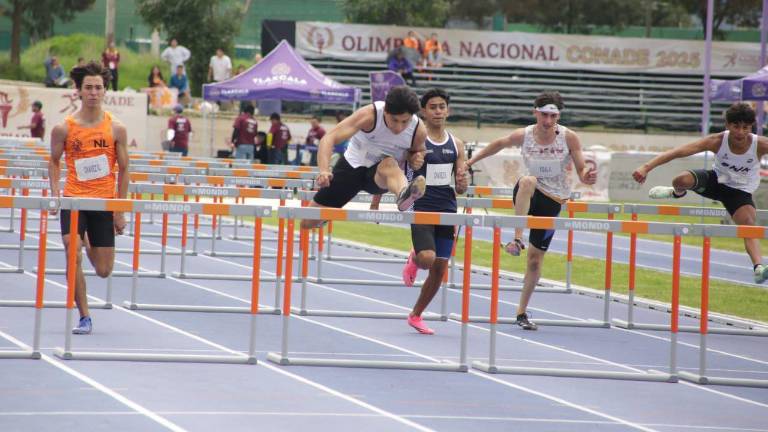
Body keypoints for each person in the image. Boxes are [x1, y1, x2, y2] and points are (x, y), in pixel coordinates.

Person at [465, 91, 597, 330]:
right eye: (544, 115)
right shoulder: (524, 135)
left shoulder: (569, 137)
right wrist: (469, 162)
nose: (548, 121)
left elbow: (581, 170)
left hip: (553, 200)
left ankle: (521, 312)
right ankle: (517, 239)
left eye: (553, 116)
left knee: (535, 262)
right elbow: (498, 144)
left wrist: (587, 176)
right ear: (535, 112)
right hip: (529, 193)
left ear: (559, 116)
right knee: (528, 180)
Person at [633, 102, 768, 284]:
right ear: (727, 125)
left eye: (745, 128)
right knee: (681, 180)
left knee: (748, 224)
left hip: (739, 192)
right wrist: (646, 167)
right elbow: (678, 152)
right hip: (716, 181)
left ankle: (758, 268)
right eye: (736, 126)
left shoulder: (760, 144)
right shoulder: (717, 141)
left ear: (751, 127)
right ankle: (677, 193)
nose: (740, 132)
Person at [48, 61, 129, 335]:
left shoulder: (116, 128)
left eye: (98, 88)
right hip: (74, 199)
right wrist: (55, 194)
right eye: (88, 88)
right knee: (72, 253)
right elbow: (54, 161)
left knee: (104, 270)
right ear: (79, 91)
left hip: (103, 201)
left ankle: (88, 238)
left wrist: (119, 210)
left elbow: (125, 170)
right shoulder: (64, 128)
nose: (93, 92)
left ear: (105, 91)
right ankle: (84, 316)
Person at [300, 85, 427, 230]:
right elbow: (329, 138)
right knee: (307, 223)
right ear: (385, 111)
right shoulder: (369, 115)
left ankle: (404, 195)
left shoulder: (418, 129)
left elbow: (418, 151)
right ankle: (323, 217)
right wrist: (324, 170)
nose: (399, 128)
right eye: (395, 120)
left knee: (389, 163)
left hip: (380, 175)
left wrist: (416, 157)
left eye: (405, 122)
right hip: (351, 167)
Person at [401, 88, 467, 335]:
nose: (438, 111)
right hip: (421, 206)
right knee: (427, 260)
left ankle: (416, 315)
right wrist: (412, 161)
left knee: (439, 269)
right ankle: (415, 258)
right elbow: (401, 166)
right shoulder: (415, 141)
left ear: (448, 110)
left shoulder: (456, 144)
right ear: (423, 111)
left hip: (447, 208)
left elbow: (460, 187)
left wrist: (462, 181)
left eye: (442, 107)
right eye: (433, 107)